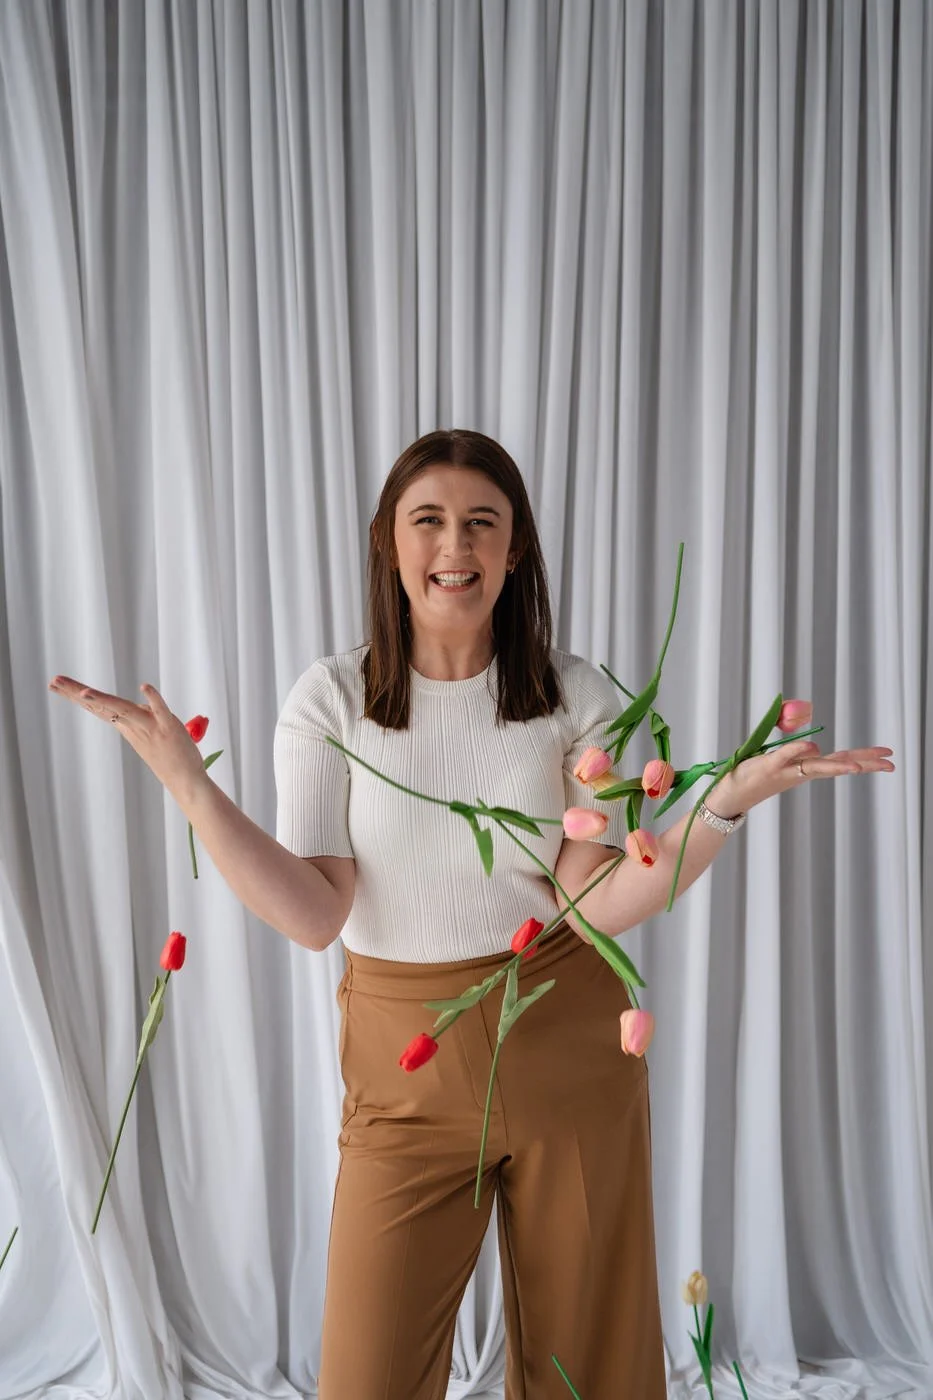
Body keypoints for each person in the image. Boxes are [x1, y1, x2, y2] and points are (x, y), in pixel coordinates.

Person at [50, 428, 895, 1399]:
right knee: (367, 1375)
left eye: (482, 523)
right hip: (404, 1066)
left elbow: (597, 896)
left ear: (515, 548)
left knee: (591, 1369)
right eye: (430, 521)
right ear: (389, 542)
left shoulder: (577, 696)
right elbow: (317, 910)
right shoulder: (331, 700)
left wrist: (722, 803)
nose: (456, 545)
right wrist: (194, 789)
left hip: (566, 1045)